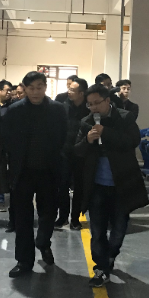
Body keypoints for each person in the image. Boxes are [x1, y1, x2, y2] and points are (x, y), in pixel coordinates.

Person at [74, 83, 149, 287]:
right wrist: (87, 140)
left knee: (119, 228)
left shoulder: (124, 118)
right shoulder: (86, 122)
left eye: (97, 103)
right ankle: (100, 268)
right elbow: (77, 151)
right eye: (90, 104)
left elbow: (132, 141)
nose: (93, 108)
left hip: (122, 184)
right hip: (96, 186)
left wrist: (105, 132)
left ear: (107, 101)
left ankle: (110, 255)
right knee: (97, 230)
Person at [0, 71, 67, 277]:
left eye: (39, 87)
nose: (35, 92)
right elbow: (5, 140)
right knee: (22, 218)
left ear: (45, 87)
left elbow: (64, 138)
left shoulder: (58, 110)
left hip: (50, 171)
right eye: (31, 88)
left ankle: (43, 242)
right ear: (25, 89)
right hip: (23, 172)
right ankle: (24, 261)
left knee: (49, 213)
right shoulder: (14, 111)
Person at [56, 77, 89, 230]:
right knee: (62, 185)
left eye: (72, 90)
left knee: (79, 187)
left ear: (81, 93)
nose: (68, 91)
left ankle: (75, 219)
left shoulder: (89, 109)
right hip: (64, 152)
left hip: (82, 154)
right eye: (69, 88)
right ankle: (62, 217)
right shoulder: (63, 107)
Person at [0, 80, 14, 214]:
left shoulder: (13, 106)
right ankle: (0, 200)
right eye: (7, 90)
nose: (9, 93)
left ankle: (13, 198)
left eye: (10, 90)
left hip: (10, 144)